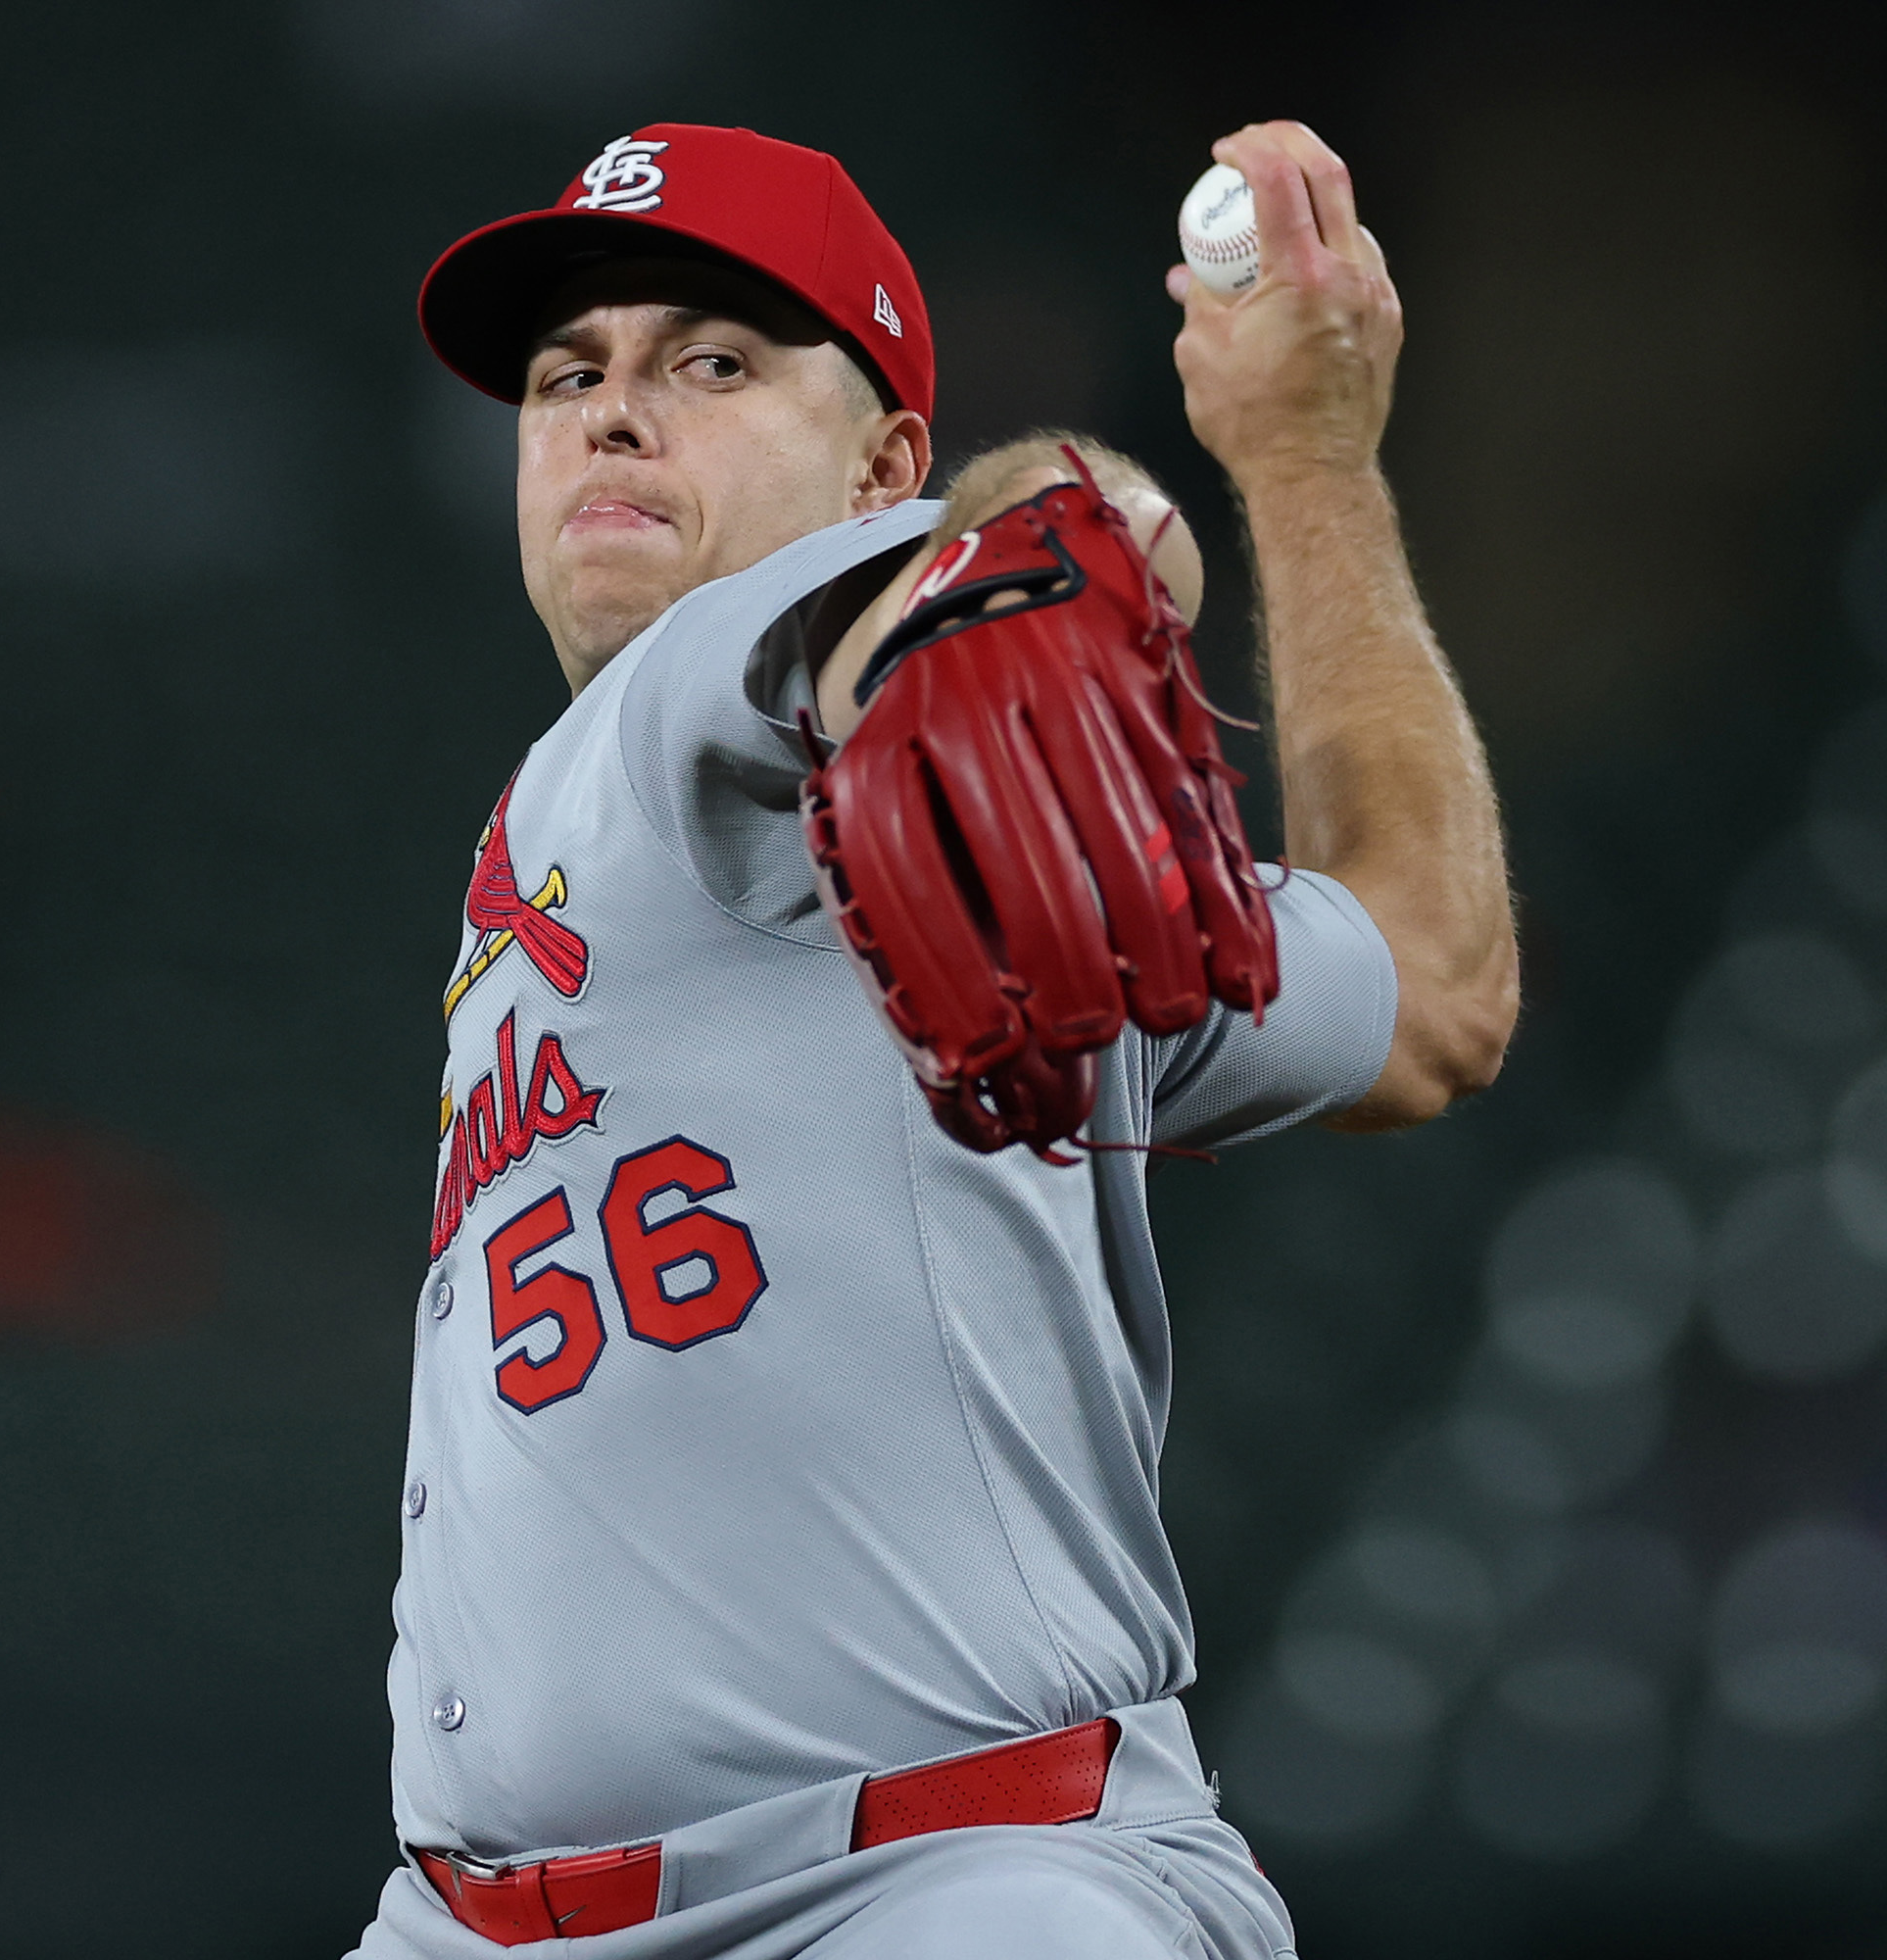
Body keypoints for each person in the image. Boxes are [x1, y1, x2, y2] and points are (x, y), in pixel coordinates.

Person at [355, 121, 1515, 1960]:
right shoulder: (947, 889)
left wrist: (1044, 543)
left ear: (883, 461)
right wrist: (1306, 465)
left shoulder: (716, 679)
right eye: (568, 374)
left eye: (712, 361)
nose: (613, 413)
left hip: (941, 1890)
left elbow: (976, 585)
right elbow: (1437, 988)